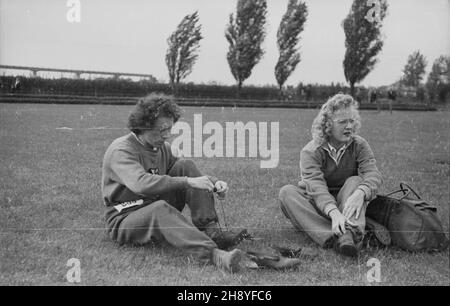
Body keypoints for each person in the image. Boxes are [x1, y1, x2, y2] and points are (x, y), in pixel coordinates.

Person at [101, 93, 247, 273]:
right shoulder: (121, 150)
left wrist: (215, 183)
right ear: (143, 126)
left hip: (152, 205)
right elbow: (141, 183)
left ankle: (212, 232)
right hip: (125, 218)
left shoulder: (162, 148)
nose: (168, 135)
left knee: (185, 165)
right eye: (162, 130)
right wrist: (188, 181)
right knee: (159, 208)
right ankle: (214, 254)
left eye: (170, 128)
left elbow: (186, 171)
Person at [278, 93, 384, 257]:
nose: (349, 126)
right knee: (286, 192)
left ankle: (347, 234)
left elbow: (373, 174)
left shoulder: (360, 145)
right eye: (342, 122)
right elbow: (316, 188)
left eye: (351, 121)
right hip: (319, 204)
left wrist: (361, 193)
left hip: (347, 201)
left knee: (356, 181)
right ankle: (336, 237)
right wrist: (334, 214)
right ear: (327, 125)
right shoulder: (311, 151)